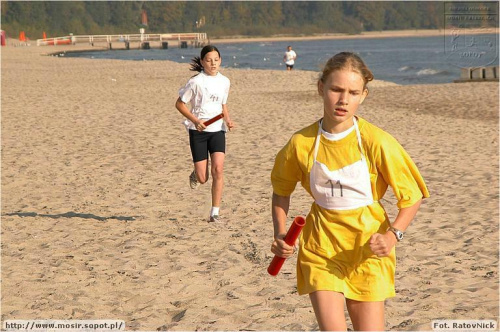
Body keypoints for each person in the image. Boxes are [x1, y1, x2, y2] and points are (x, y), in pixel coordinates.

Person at [270, 52, 429, 331]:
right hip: (320, 248)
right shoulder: (300, 143)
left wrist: (393, 235)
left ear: (363, 95)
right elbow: (281, 191)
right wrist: (280, 233)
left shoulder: (376, 141)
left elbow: (411, 196)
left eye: (353, 92)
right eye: (336, 89)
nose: (344, 100)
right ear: (321, 88)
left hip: (366, 249)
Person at [175, 45, 234, 222]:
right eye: (208, 60)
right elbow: (179, 104)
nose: (213, 63)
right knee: (203, 178)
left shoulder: (225, 81)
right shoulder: (196, 82)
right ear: (202, 62)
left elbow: (223, 105)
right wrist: (195, 121)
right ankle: (196, 173)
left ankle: (214, 212)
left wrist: (228, 120)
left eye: (216, 59)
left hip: (217, 131)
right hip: (198, 132)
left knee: (218, 169)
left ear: (220, 60)